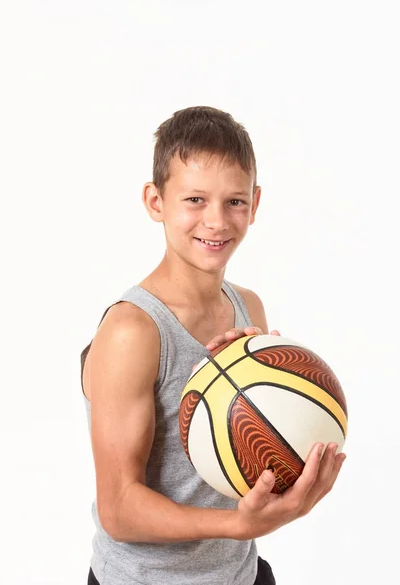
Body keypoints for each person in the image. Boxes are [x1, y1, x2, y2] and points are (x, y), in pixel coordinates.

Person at [80, 106, 346, 585]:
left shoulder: (249, 309)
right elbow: (119, 507)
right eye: (196, 199)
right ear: (155, 201)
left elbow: (248, 463)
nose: (217, 221)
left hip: (239, 573)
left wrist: (294, 466)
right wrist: (240, 525)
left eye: (235, 202)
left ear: (256, 203)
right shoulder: (132, 331)